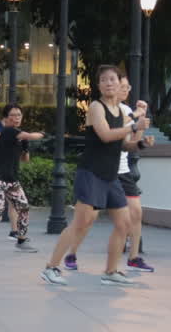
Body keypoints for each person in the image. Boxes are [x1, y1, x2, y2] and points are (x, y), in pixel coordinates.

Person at [43, 65, 149, 286]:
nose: (109, 83)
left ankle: (111, 272)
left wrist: (139, 142)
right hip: (91, 172)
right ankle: (51, 267)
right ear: (99, 85)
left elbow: (123, 145)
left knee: (124, 223)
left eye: (113, 79)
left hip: (110, 176)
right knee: (80, 223)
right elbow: (105, 135)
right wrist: (133, 127)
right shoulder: (96, 107)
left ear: (121, 84)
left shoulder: (121, 111)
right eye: (104, 80)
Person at [63, 75, 156, 273]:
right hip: (101, 171)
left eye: (126, 86)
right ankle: (71, 252)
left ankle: (133, 257)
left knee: (135, 213)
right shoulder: (105, 109)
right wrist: (134, 119)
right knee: (88, 218)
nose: (123, 90)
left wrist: (142, 138)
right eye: (120, 85)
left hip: (122, 171)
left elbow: (130, 143)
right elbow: (110, 134)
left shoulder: (128, 110)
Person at [0, 104, 44, 253]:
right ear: (6, 118)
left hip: (11, 178)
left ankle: (21, 240)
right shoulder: (7, 131)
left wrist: (25, 148)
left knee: (23, 207)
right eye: (13, 115)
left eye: (19, 115)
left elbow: (25, 159)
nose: (17, 118)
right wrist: (42, 135)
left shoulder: (20, 136)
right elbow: (30, 136)